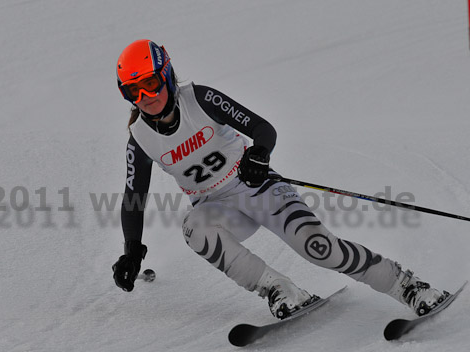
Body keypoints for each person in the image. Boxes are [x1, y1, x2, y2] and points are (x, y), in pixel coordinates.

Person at [111, 39, 448, 319]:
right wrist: (131, 251)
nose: (146, 98)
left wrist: (259, 153)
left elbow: (262, 129)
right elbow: (133, 198)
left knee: (319, 249)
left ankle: (406, 285)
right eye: (133, 92)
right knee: (193, 227)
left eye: (151, 85)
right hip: (216, 208)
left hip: (257, 186)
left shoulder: (200, 99)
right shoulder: (139, 138)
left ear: (166, 75)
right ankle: (280, 289)